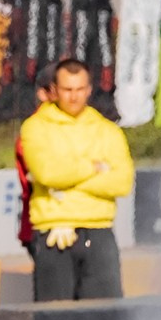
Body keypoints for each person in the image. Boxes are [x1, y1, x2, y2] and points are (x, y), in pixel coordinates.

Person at [20, 58, 134, 300]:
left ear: (89, 90)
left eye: (80, 89)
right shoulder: (35, 128)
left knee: (105, 318)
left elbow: (122, 182)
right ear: (54, 91)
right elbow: (47, 173)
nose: (74, 97)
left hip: (99, 232)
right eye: (67, 90)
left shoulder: (108, 131)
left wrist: (67, 182)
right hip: (53, 234)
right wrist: (94, 167)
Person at [14, 65, 58, 258]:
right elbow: (41, 174)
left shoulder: (88, 125)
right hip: (42, 227)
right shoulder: (33, 130)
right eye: (63, 89)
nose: (73, 96)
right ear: (43, 94)